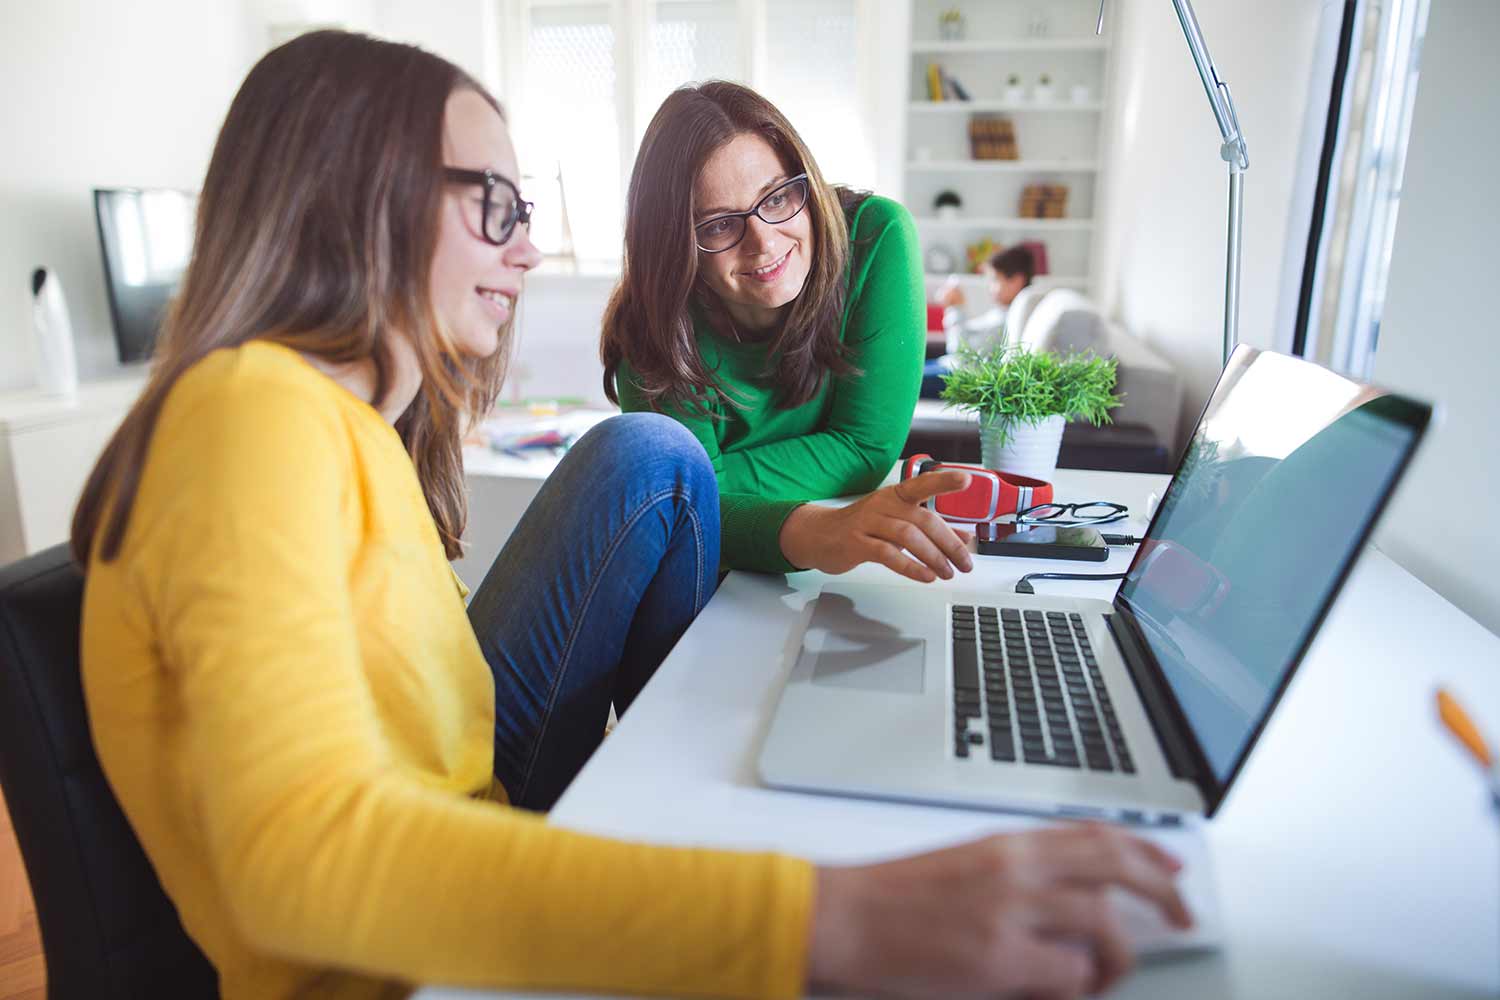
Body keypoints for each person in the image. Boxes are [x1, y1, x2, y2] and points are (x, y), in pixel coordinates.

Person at [72, 31, 1190, 1000]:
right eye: (495, 204)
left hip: (478, 816)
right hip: (407, 969)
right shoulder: (246, 413)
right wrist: (825, 918)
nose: (523, 244)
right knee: (657, 460)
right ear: (358, 197)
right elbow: (306, 865)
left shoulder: (340, 424)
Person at [602, 82, 967, 579]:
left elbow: (867, 449)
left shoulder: (876, 236)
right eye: (717, 226)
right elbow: (683, 516)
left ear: (805, 182)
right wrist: (808, 528)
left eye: (775, 198)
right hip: (714, 578)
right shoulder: (654, 320)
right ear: (674, 245)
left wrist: (716, 483)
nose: (764, 242)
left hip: (844, 551)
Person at [921, 244, 1038, 398]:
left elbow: (960, 351)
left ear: (1016, 280)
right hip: (949, 365)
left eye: (995, 279)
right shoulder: (1001, 312)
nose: (990, 287)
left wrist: (956, 308)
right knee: (901, 370)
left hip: (958, 374)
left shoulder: (1010, 320)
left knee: (897, 378)